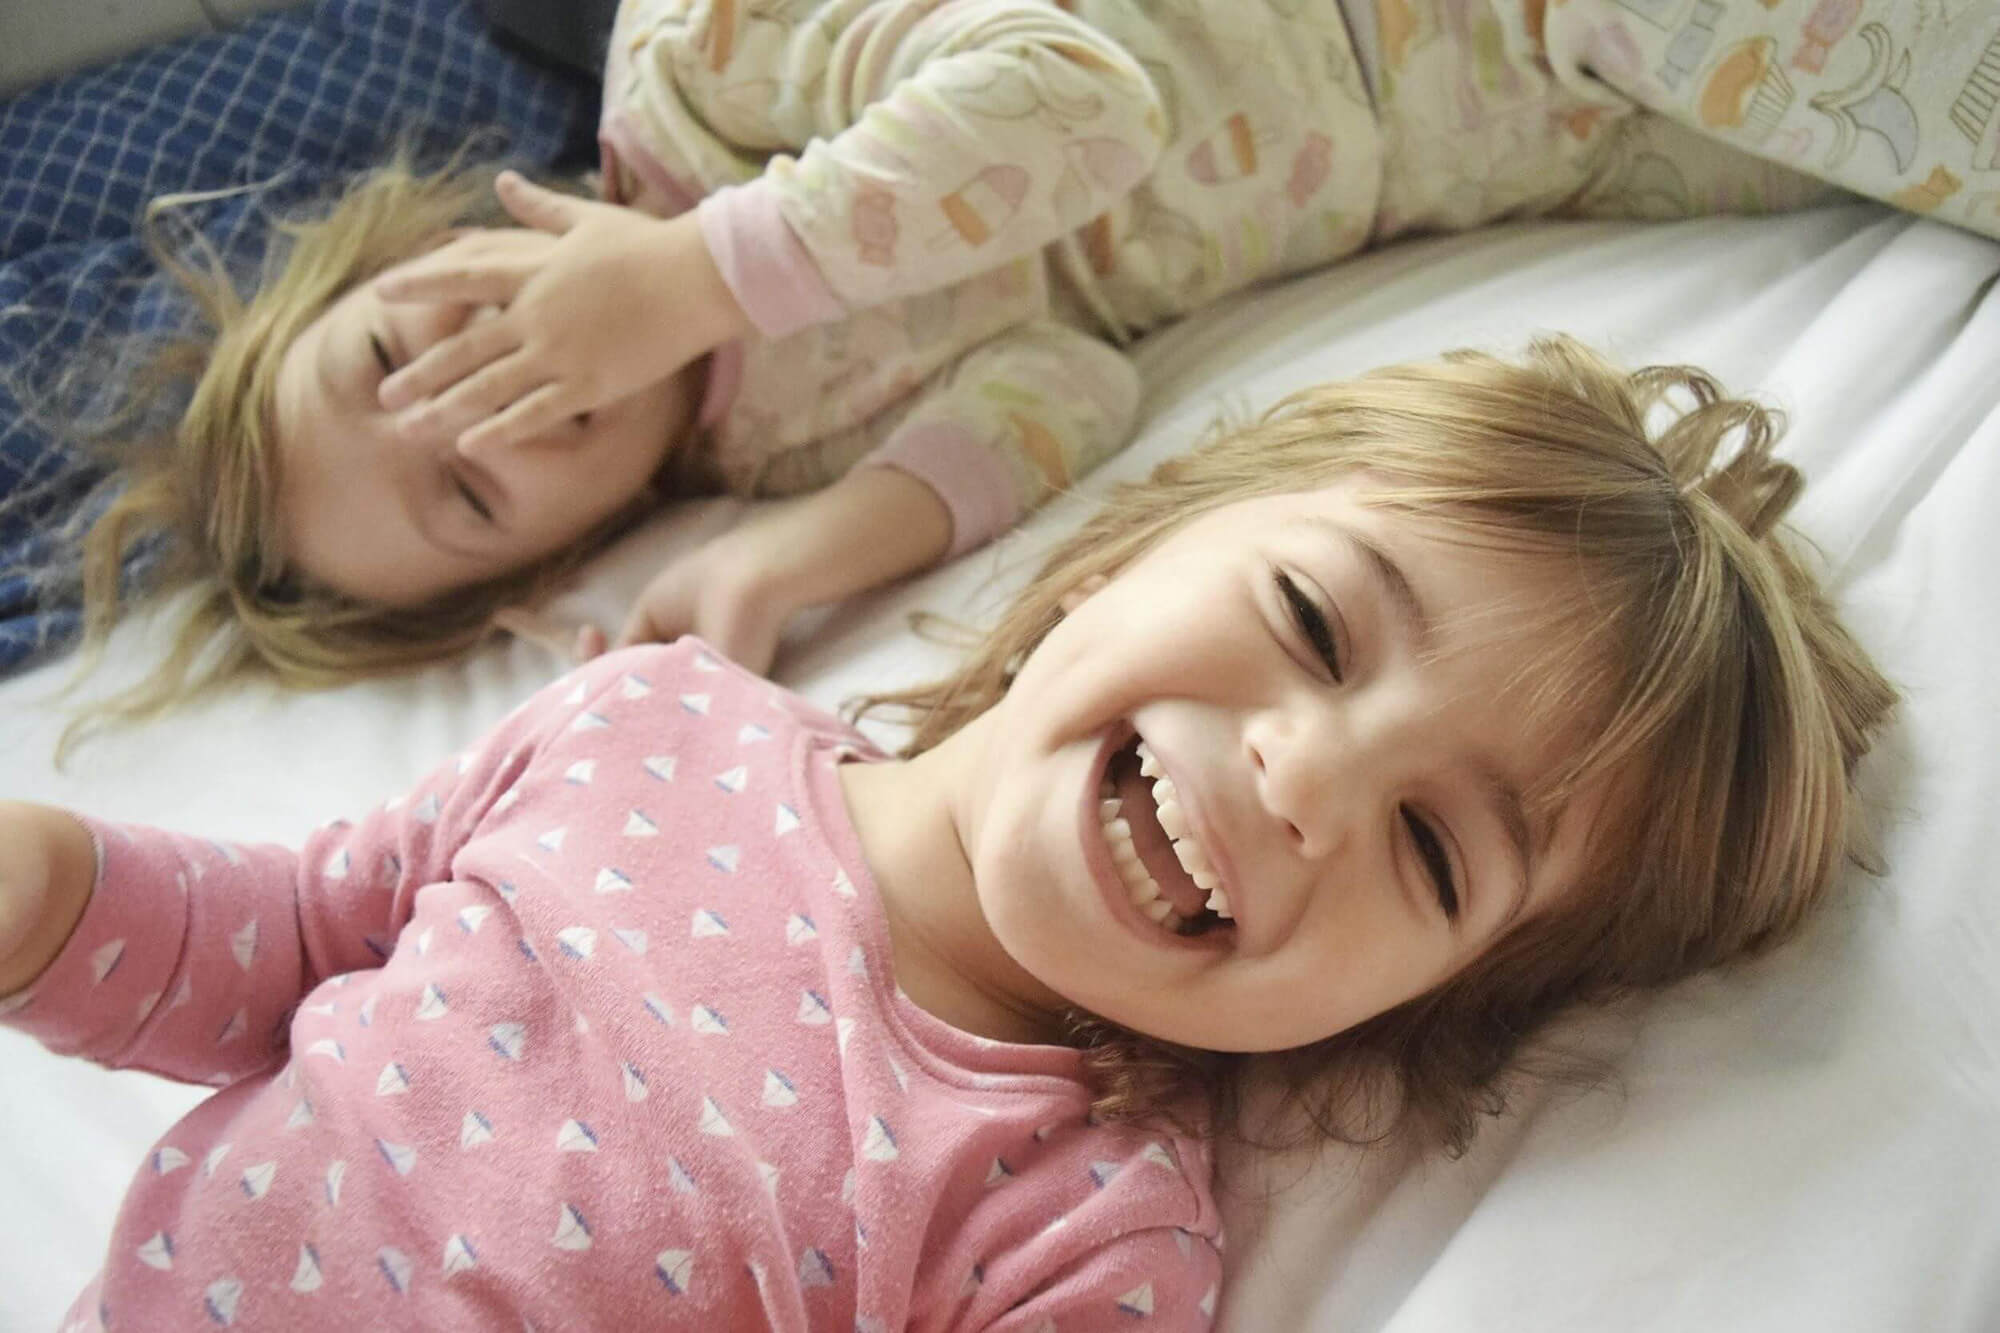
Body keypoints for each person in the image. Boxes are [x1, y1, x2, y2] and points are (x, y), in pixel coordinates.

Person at [0, 339, 1896, 1329]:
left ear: (1429, 1011)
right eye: (1316, 625)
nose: (1312, 779)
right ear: (1133, 541)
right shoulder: (653, 720)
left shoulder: (1079, 1230)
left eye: (1433, 853)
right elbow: (290, 944)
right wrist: (50, 895)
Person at [20, 0, 1985, 735]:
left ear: (415, 243)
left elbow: (1078, 94)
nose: (480, 402)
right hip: (1504, 147)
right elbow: (1066, 387)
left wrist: (703, 269)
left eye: (395, 356)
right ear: (551, 549)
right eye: (465, 488)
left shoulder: (694, 73)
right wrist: (791, 565)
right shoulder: (774, 447)